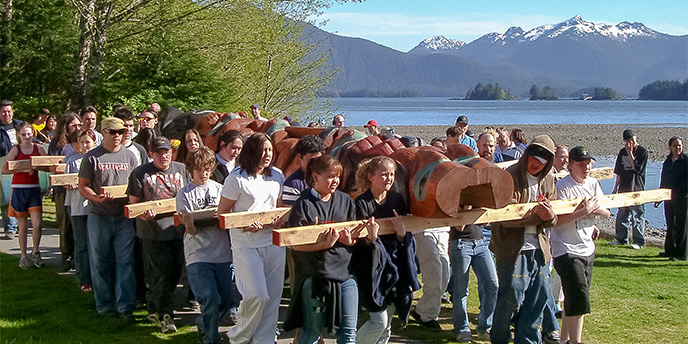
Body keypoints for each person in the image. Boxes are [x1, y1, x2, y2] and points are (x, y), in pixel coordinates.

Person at [218, 133, 285, 344]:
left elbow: (280, 208)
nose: (267, 155)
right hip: (245, 243)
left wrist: (278, 220)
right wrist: (245, 224)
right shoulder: (236, 178)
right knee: (257, 296)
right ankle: (239, 336)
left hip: (273, 242)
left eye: (270, 150)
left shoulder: (277, 175)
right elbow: (222, 214)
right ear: (252, 151)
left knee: (272, 299)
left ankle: (263, 340)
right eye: (263, 150)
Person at [489, 134, 558, 344]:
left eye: (542, 163)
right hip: (512, 250)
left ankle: (528, 341)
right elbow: (506, 218)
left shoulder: (548, 180)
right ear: (526, 155)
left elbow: (553, 217)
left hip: (540, 250)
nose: (536, 165)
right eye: (534, 160)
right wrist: (540, 216)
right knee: (510, 298)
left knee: (538, 300)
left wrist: (550, 217)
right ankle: (499, 339)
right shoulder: (508, 176)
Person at [285, 156, 358, 344]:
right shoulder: (303, 204)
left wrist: (350, 241)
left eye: (338, 176)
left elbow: (354, 237)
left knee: (349, 333)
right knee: (312, 332)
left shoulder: (346, 201)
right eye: (330, 177)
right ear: (315, 177)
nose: (335, 181)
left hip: (345, 274)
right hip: (315, 276)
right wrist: (324, 245)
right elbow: (296, 244)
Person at [352, 156, 420, 344]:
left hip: (394, 268)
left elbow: (405, 235)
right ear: (371, 176)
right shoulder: (361, 203)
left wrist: (401, 234)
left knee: (386, 328)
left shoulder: (397, 200)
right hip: (371, 270)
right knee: (378, 323)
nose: (389, 179)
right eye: (384, 175)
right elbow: (358, 244)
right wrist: (371, 239)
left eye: (391, 174)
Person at [78, 117, 138, 319]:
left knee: (125, 261)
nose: (117, 136)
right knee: (100, 261)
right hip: (99, 215)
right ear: (103, 133)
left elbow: (135, 185)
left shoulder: (130, 157)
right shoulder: (92, 157)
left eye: (120, 132)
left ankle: (125, 306)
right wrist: (95, 197)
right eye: (113, 132)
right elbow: (83, 185)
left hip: (123, 216)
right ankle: (104, 305)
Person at [127, 136, 189, 333]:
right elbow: (133, 204)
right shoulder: (140, 173)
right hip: (152, 232)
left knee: (174, 273)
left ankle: (154, 307)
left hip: (178, 231)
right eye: (160, 152)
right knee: (158, 274)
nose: (164, 156)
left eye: (167, 152)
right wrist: (143, 214)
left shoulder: (181, 170)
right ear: (151, 153)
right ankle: (166, 316)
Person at [551, 146, 610, 344]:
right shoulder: (563, 187)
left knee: (574, 298)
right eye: (581, 164)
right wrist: (583, 212)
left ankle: (564, 340)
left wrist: (594, 211)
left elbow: (607, 211)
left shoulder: (593, 183)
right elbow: (556, 220)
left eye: (588, 164)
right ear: (570, 166)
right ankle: (576, 342)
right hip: (566, 249)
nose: (586, 168)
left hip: (587, 249)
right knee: (579, 297)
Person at [176, 147, 234, 344]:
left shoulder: (221, 189)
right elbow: (190, 230)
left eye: (207, 169)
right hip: (198, 254)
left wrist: (223, 218)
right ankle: (210, 338)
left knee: (225, 302)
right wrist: (189, 223)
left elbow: (228, 221)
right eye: (200, 169)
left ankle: (203, 323)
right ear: (191, 169)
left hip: (223, 254)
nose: (204, 174)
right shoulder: (184, 193)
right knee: (210, 298)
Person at [1, 123, 47, 268]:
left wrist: (36, 166)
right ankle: (23, 256)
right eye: (23, 134)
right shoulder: (16, 149)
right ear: (18, 136)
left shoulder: (38, 148)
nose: (26, 137)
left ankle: (35, 252)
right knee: (23, 226)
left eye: (29, 134)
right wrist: (23, 169)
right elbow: (5, 169)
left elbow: (48, 165)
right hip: (19, 189)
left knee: (37, 224)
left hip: (34, 190)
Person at [449, 211, 499, 342]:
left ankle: (485, 327)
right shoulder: (455, 198)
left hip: (481, 243)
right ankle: (462, 328)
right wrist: (467, 207)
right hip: (460, 243)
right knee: (461, 290)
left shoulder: (477, 196)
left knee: (492, 284)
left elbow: (486, 222)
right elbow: (459, 227)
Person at [65, 130, 98, 291]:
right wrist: (70, 184)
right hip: (77, 207)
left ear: (94, 143)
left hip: (94, 208)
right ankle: (84, 278)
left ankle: (95, 277)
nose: (85, 146)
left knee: (94, 244)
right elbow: (65, 181)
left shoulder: (98, 160)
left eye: (88, 142)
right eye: (82, 142)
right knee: (82, 243)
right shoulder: (73, 160)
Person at [49, 112, 83, 268]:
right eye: (73, 125)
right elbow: (53, 165)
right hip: (62, 189)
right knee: (64, 224)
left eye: (78, 125)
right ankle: (65, 254)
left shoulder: (81, 140)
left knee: (76, 225)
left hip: (80, 189)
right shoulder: (57, 143)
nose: (77, 128)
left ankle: (77, 255)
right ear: (65, 126)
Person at [610, 129, 648, 249]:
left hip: (636, 188)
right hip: (624, 187)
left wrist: (630, 153)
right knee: (622, 215)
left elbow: (637, 169)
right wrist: (615, 187)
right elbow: (619, 172)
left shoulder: (642, 152)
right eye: (627, 141)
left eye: (632, 140)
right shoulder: (622, 152)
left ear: (635, 137)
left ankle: (639, 241)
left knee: (637, 215)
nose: (630, 143)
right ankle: (621, 239)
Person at [410, 220, 451, 331]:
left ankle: (421, 310)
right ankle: (429, 317)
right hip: (421, 229)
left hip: (442, 228)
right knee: (434, 274)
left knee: (444, 277)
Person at [658, 136, 687, 261]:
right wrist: (659, 195)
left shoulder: (685, 160)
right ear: (670, 147)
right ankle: (669, 250)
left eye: (679, 145)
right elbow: (664, 178)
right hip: (668, 196)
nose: (678, 148)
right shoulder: (668, 161)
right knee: (670, 222)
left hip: (682, 196)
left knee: (681, 224)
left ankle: (680, 253)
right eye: (675, 145)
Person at [282, 135, 326, 206]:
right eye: (311, 160)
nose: (315, 164)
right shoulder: (293, 184)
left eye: (318, 160)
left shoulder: (327, 180)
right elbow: (291, 214)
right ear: (299, 157)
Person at [0, 100, 21, 239]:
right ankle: (10, 227)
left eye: (9, 111)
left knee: (19, 196)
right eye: (3, 112)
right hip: (3, 166)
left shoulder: (19, 125)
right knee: (6, 196)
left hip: (20, 166)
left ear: (12, 112)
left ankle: (18, 224)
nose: (7, 114)